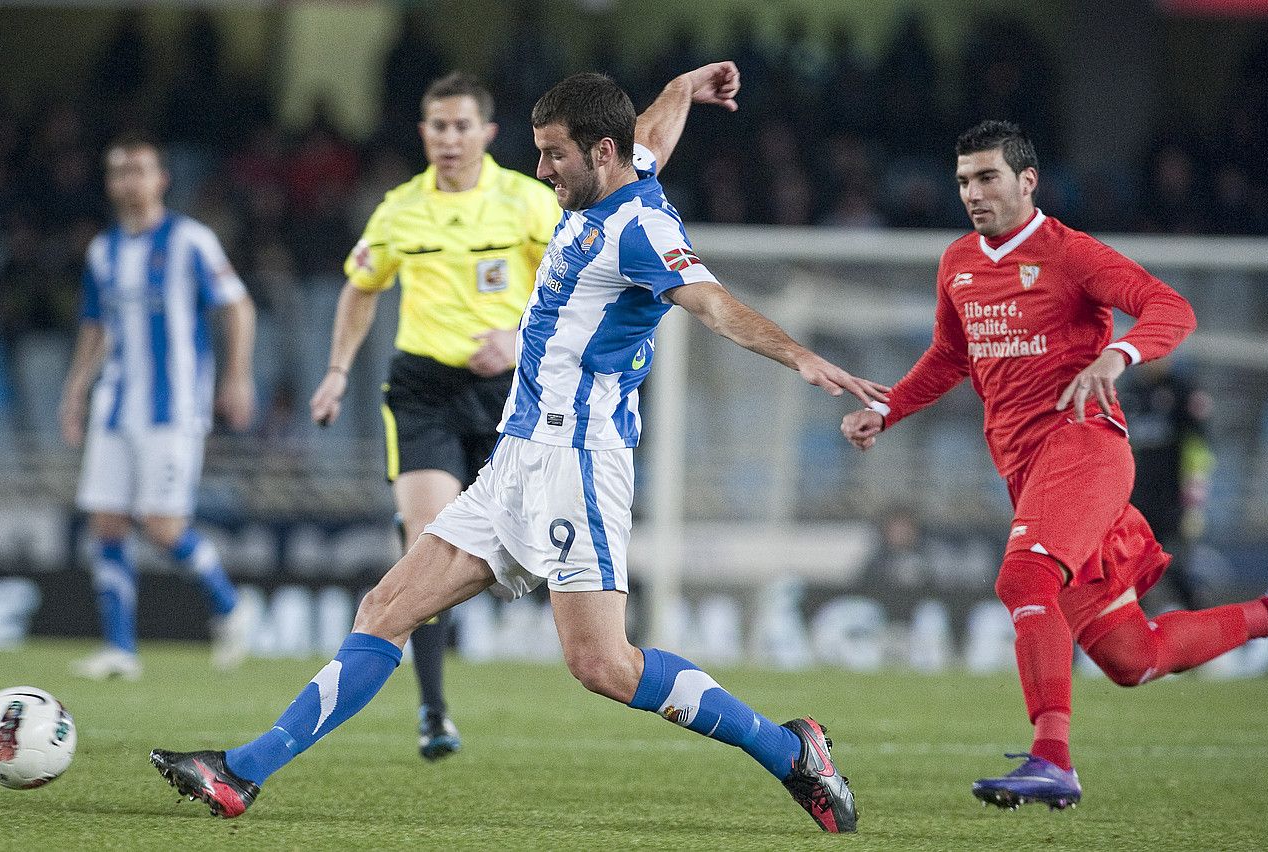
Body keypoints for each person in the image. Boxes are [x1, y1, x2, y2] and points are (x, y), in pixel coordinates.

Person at [151, 62, 888, 833]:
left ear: (599, 152)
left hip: (579, 464)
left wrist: (800, 356)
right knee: (386, 607)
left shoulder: (643, 229)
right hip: (517, 455)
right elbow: (656, 136)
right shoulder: (618, 169)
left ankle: (790, 751)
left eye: (554, 155)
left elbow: (711, 303)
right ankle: (240, 772)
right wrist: (684, 85)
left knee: (602, 666)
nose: (541, 170)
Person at [841, 120, 1268, 810]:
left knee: (1024, 577)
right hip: (1032, 475)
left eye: (987, 177)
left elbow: (1172, 308)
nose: (972, 193)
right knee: (1131, 658)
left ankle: (1052, 760)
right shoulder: (957, 261)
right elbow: (950, 358)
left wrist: (1120, 354)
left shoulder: (1070, 254)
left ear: (1027, 181)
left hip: (1085, 449)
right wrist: (888, 408)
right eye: (963, 181)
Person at [308, 71, 561, 761]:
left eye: (461, 126)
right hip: (423, 390)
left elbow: (570, 286)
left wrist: (517, 335)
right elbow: (360, 290)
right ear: (424, 134)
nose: (449, 139)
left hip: (511, 388)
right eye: (437, 127)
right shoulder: (397, 210)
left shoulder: (528, 202)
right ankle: (433, 708)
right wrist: (335, 372)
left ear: (486, 133)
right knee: (428, 545)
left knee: (521, 549)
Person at [60, 135, 257, 680]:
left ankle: (231, 606)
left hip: (174, 407)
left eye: (140, 170)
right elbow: (96, 326)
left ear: (161, 179)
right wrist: (76, 388)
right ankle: (121, 649)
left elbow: (238, 306)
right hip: (115, 405)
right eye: (119, 171)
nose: (129, 180)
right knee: (106, 522)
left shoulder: (191, 240)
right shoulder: (103, 251)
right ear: (110, 183)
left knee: (163, 527)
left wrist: (238, 377)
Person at [1121, 358, 1215, 610]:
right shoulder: (1127, 392)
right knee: (1130, 571)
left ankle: (1204, 626)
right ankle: (1134, 636)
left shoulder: (1182, 391)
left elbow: (1199, 449)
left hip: (1173, 502)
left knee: (1174, 567)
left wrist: (1194, 501)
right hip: (1135, 501)